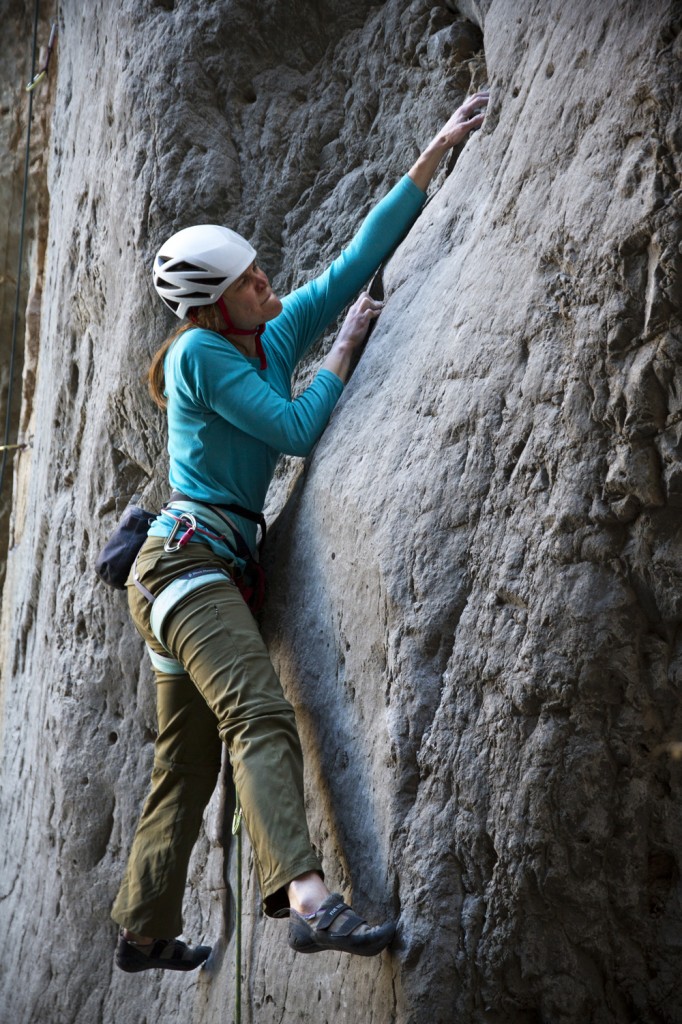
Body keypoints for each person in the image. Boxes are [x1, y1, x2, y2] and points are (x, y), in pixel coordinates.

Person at [111, 91, 489, 973]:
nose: (265, 281)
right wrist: (343, 358)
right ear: (210, 305)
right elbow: (291, 430)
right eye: (246, 281)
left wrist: (431, 155)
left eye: (258, 271)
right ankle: (311, 902)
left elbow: (352, 264)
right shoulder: (201, 354)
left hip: (200, 573)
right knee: (257, 711)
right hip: (186, 567)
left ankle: (142, 931)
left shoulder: (265, 333)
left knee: (188, 763)